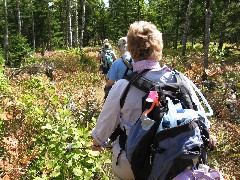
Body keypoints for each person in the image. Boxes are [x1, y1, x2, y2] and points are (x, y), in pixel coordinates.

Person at [91, 21, 212, 180]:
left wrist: (97, 144)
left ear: (131, 50)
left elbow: (100, 133)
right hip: (182, 162)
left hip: (135, 165)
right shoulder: (181, 81)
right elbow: (204, 124)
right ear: (159, 48)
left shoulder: (123, 87)